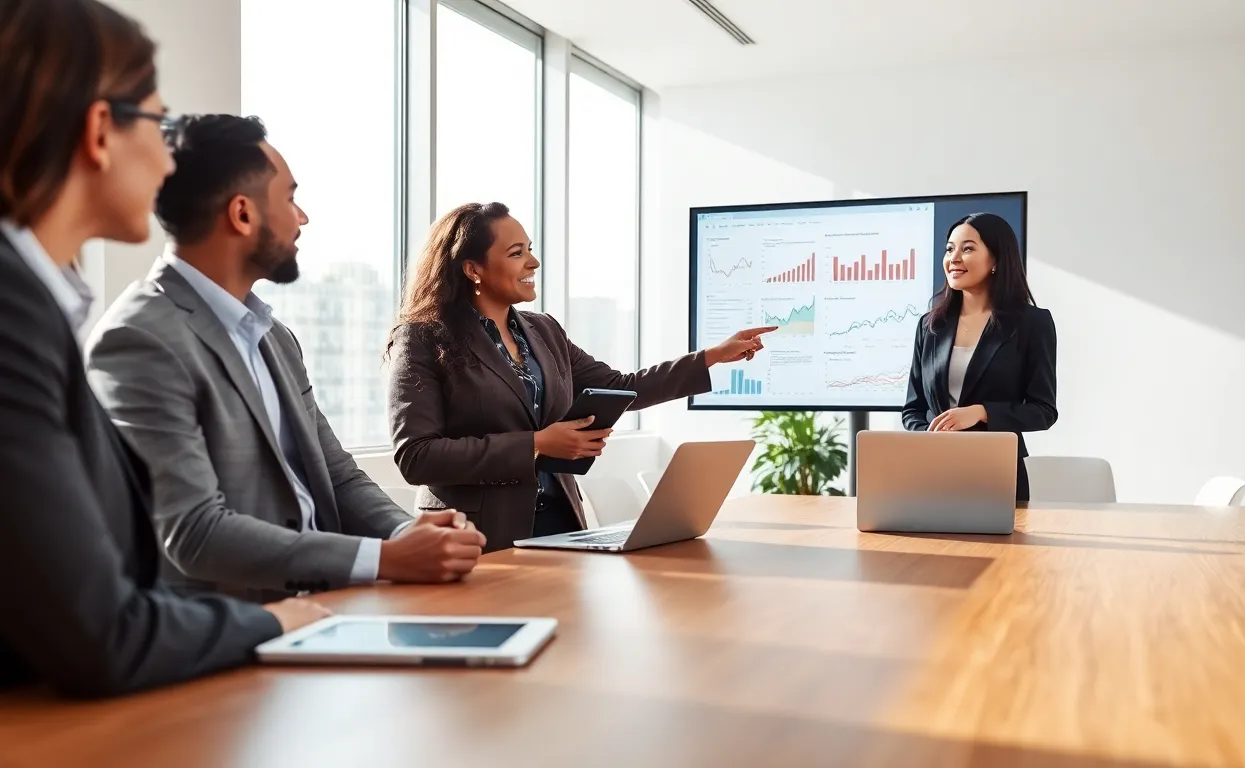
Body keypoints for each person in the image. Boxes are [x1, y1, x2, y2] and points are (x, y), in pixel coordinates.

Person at [0, 0, 329, 697]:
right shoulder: (17, 312)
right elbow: (98, 628)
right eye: (159, 122)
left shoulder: (39, 302)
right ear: (99, 131)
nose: (169, 156)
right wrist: (279, 624)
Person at [85, 114, 486, 602]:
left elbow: (336, 472)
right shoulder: (140, 337)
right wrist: (384, 559)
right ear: (242, 214)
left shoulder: (274, 335)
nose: (303, 217)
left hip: (321, 610)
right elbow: (193, 531)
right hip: (230, 634)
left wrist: (409, 536)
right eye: (291, 198)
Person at [387, 202, 773, 551]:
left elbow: (621, 388)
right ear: (473, 269)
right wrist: (536, 444)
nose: (533, 262)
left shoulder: (544, 331)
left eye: (531, 249)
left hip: (560, 525)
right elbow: (416, 456)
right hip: (477, 535)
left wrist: (710, 358)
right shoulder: (423, 338)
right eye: (516, 253)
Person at [902, 212, 1058, 501]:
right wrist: (931, 435)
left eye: (968, 248)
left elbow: (1044, 410)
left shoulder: (1032, 323)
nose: (954, 258)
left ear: (996, 259)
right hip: (933, 470)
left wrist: (981, 412)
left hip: (996, 471)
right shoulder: (930, 325)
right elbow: (912, 410)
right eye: (950, 249)